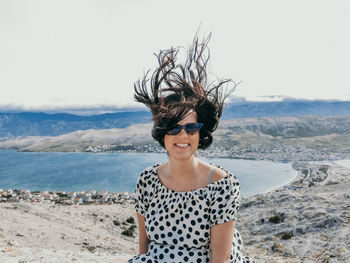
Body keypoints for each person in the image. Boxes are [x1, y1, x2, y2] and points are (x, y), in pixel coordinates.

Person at [127, 34, 255, 263]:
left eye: (191, 127)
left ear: (200, 133)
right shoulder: (147, 180)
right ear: (163, 134)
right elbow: (144, 247)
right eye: (174, 128)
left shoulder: (221, 184)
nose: (183, 135)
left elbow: (220, 260)